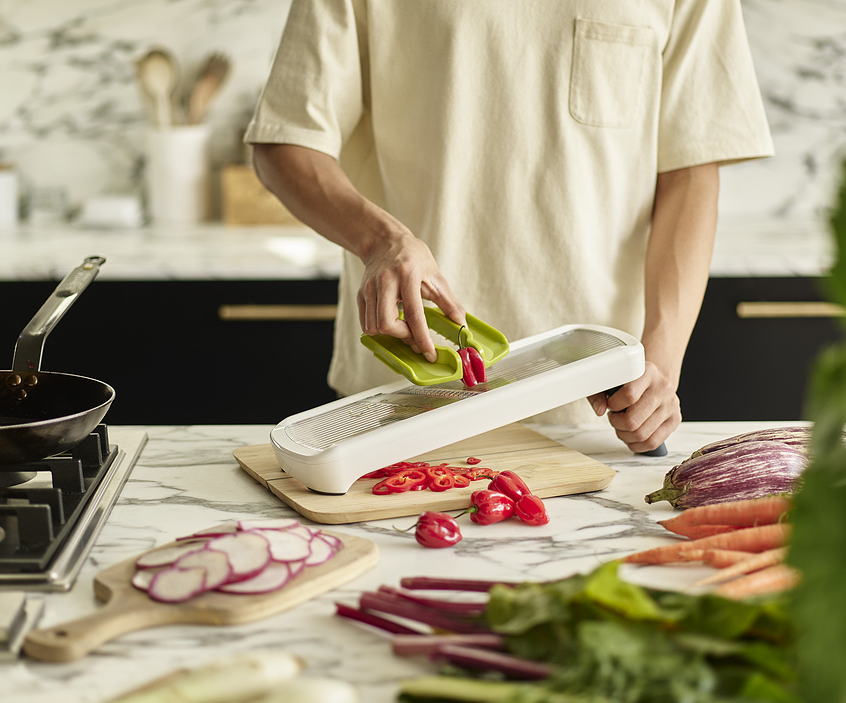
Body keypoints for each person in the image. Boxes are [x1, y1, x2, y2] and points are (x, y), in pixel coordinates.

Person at [244, 1, 773, 453]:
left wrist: (659, 359)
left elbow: (691, 168)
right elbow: (284, 141)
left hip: (595, 409)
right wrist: (382, 239)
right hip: (400, 407)